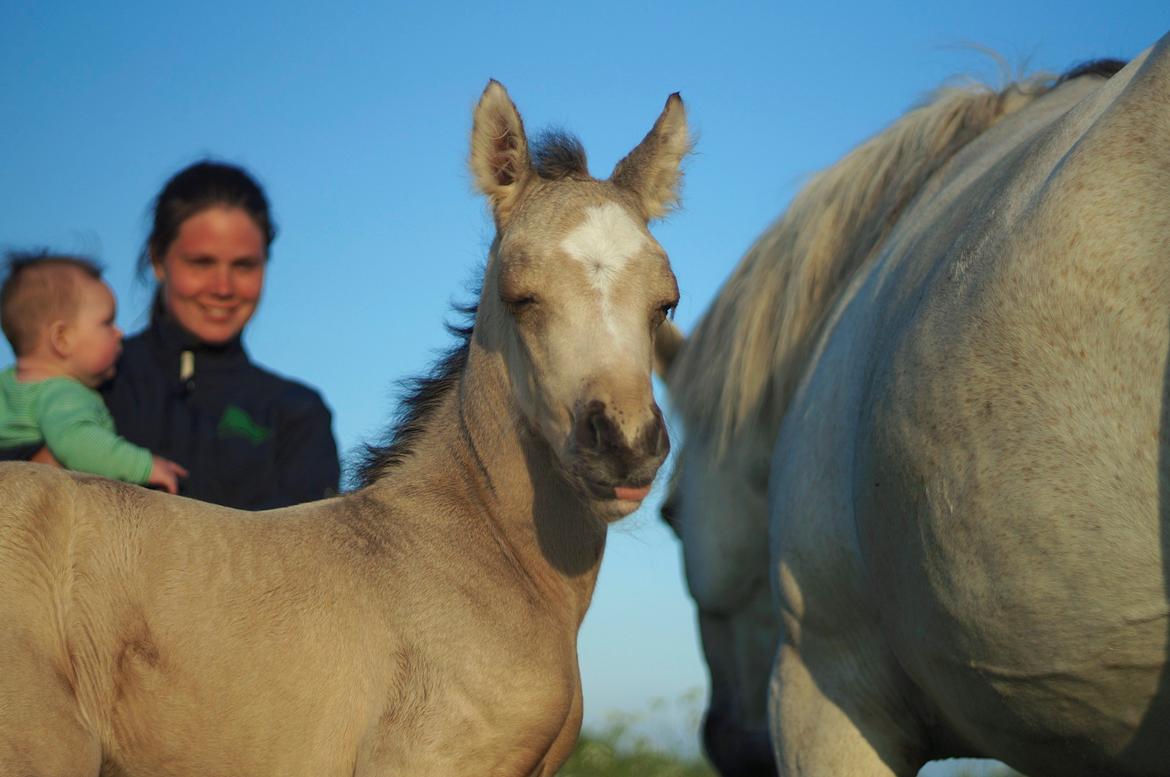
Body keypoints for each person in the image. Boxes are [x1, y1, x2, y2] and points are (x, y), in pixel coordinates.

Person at [101, 160, 341, 509]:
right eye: (202, 263)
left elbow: (304, 558)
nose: (223, 288)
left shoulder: (299, 414)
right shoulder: (93, 383)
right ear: (157, 259)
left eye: (244, 265)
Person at [0, 252, 186, 492]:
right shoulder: (63, 394)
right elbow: (78, 443)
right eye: (107, 323)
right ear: (62, 339)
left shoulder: (8, 384)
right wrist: (145, 466)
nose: (119, 333)